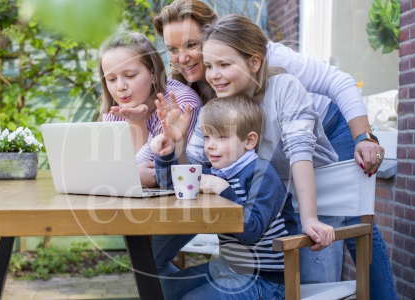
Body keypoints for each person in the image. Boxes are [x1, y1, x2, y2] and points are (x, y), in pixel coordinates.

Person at [153, 2, 396, 298]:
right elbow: (192, 168)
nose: (211, 73)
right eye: (174, 50)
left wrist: (364, 137)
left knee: (345, 227)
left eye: (191, 45)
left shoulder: (278, 77)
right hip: (271, 179)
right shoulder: (220, 97)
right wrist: (173, 146)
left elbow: (301, 150)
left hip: (321, 141)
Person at [153, 94, 297, 300]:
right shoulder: (217, 172)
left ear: (249, 141)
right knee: (166, 289)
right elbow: (171, 185)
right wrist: (167, 154)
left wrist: (224, 190)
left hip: (267, 281)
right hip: (229, 267)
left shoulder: (261, 174)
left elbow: (251, 233)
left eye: (221, 137)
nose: (210, 145)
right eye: (207, 137)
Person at [98, 32, 202, 187]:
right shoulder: (115, 108)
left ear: (153, 74)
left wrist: (137, 123)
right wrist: (130, 177)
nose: (120, 87)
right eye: (111, 79)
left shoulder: (180, 105)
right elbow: (110, 166)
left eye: (130, 75)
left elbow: (156, 176)